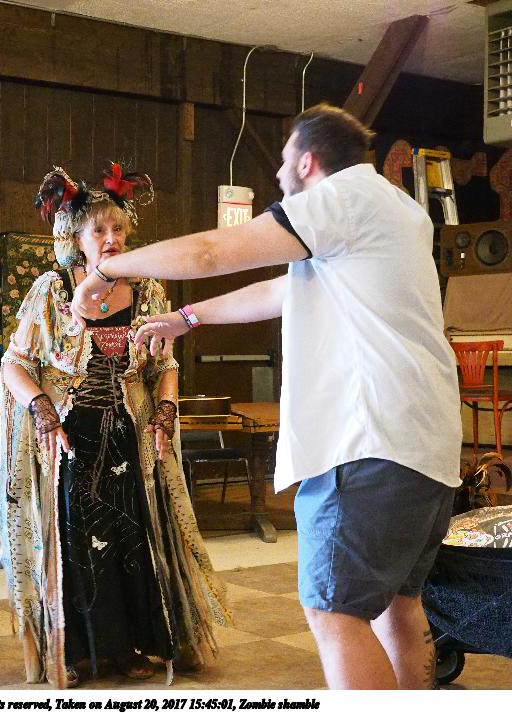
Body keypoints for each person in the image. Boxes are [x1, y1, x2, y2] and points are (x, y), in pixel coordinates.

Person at [70, 104, 462, 690]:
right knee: (396, 604)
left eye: (283, 162)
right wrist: (187, 317)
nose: (278, 175)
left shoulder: (339, 199)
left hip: (367, 443)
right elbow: (286, 291)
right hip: (427, 448)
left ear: (306, 162)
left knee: (335, 613)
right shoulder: (397, 210)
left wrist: (108, 269)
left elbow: (211, 253)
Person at [0, 163, 230, 689]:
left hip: (130, 436)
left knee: (133, 539)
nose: (111, 239)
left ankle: (128, 647)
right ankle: (76, 651)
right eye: (99, 230)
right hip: (70, 441)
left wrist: (165, 412)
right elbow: (15, 363)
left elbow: (164, 365)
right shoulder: (52, 290)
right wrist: (43, 411)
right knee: (76, 544)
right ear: (76, 239)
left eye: (118, 229)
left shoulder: (147, 291)